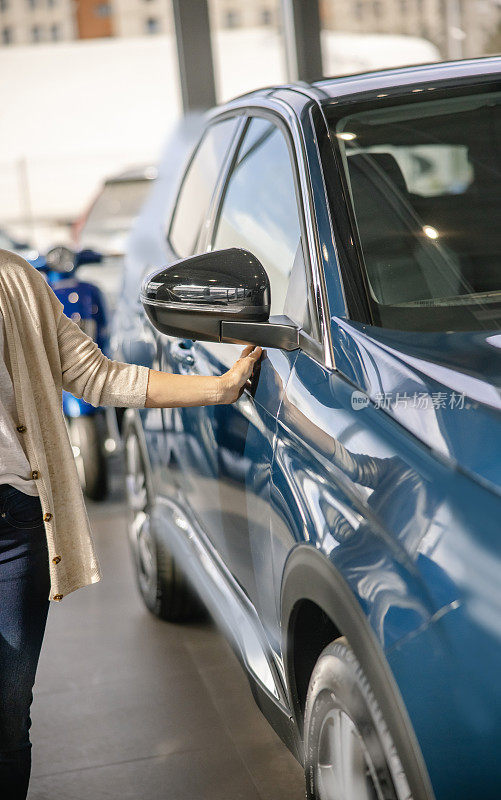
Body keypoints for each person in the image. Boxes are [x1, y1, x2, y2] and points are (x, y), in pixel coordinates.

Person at [0, 249, 262, 799]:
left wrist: (219, 389)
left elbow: (94, 376)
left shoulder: (16, 280)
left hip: (12, 526)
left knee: (7, 715)